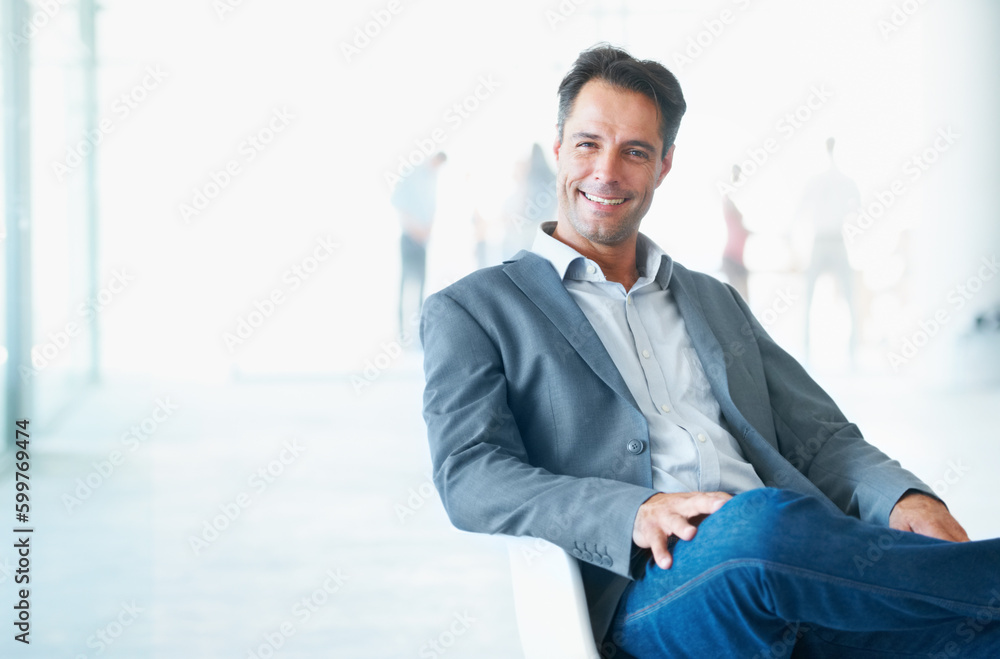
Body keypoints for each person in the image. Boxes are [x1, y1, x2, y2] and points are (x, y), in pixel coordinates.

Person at [420, 44, 999, 658]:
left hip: (801, 572)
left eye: (635, 151)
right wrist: (634, 511)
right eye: (589, 143)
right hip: (652, 591)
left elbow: (824, 438)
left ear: (664, 166)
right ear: (559, 148)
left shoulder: (712, 299)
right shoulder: (476, 309)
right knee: (759, 526)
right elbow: (472, 474)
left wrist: (904, 497)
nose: (607, 171)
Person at [799, 137, 861, 363]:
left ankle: (849, 351)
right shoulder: (844, 181)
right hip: (832, 240)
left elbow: (800, 213)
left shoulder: (818, 181)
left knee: (813, 297)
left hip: (826, 240)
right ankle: (851, 351)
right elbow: (859, 212)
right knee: (848, 296)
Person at [391, 151, 446, 335]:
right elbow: (398, 205)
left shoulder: (433, 180)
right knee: (405, 283)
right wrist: (415, 230)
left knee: (421, 285)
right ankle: (401, 332)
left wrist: (426, 231)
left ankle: (419, 332)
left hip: (423, 241)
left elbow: (432, 210)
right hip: (409, 239)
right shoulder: (412, 175)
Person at [721, 164, 751, 300]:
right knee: (737, 300)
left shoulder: (741, 225)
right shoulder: (730, 206)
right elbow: (727, 196)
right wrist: (734, 178)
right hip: (731, 259)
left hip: (738, 261)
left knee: (745, 300)